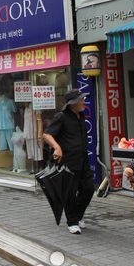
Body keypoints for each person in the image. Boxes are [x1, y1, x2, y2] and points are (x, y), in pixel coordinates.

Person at [42, 89, 95, 235]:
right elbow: (47, 134)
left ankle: (77, 215)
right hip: (68, 160)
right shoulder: (62, 117)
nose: (84, 101)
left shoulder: (81, 116)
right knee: (70, 193)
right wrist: (57, 147)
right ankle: (72, 221)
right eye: (81, 99)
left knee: (88, 189)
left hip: (83, 158)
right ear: (73, 103)